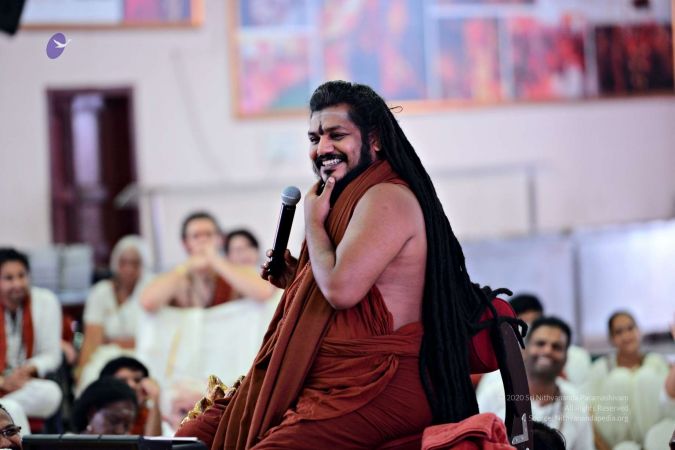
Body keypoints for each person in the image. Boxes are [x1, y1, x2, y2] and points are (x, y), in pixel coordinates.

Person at [177, 81, 505, 449]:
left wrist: (313, 223)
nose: (322, 148)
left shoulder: (386, 196)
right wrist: (299, 279)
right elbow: (343, 284)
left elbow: (341, 291)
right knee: (193, 437)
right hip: (324, 379)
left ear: (374, 139)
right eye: (314, 138)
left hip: (377, 384)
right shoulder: (344, 196)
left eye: (337, 135)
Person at [477, 316, 594, 450]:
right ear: (524, 350)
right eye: (540, 344)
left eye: (556, 347)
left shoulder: (576, 401)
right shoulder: (494, 392)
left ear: (566, 358)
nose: (547, 351)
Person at [140, 212, 275, 312]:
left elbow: (265, 292)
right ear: (186, 244)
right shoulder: (179, 276)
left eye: (209, 235)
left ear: (220, 240)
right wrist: (188, 265)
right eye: (196, 236)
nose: (203, 241)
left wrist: (216, 261)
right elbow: (148, 303)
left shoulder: (234, 271)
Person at [588, 311, 669, 449]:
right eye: (619, 332)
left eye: (630, 328)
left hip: (657, 442)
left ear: (639, 331)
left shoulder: (657, 363)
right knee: (619, 379)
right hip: (615, 446)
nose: (626, 336)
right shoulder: (600, 369)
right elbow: (587, 414)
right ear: (611, 339)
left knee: (646, 378)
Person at [76, 236, 153, 378]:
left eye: (135, 263)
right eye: (123, 262)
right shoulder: (100, 292)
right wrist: (80, 371)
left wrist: (110, 342)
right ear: (115, 263)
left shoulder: (149, 294)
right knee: (93, 376)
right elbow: (92, 341)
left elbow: (149, 341)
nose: (129, 269)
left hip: (140, 356)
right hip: (105, 357)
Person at [0, 248, 63, 422]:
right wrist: (3, 382)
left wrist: (27, 369)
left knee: (51, 393)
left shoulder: (45, 301)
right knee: (15, 410)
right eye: (9, 278)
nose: (17, 284)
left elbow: (52, 355)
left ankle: (3, 409)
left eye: (22, 276)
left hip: (24, 382)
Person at [99, 356, 162, 436]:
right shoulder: (98, 414)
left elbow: (152, 442)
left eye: (137, 380)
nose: (132, 385)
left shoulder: (149, 415)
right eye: (122, 381)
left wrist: (155, 400)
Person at [71, 377, 138, 434]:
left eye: (126, 425)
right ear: (91, 413)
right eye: (114, 421)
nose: (120, 431)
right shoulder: (68, 443)